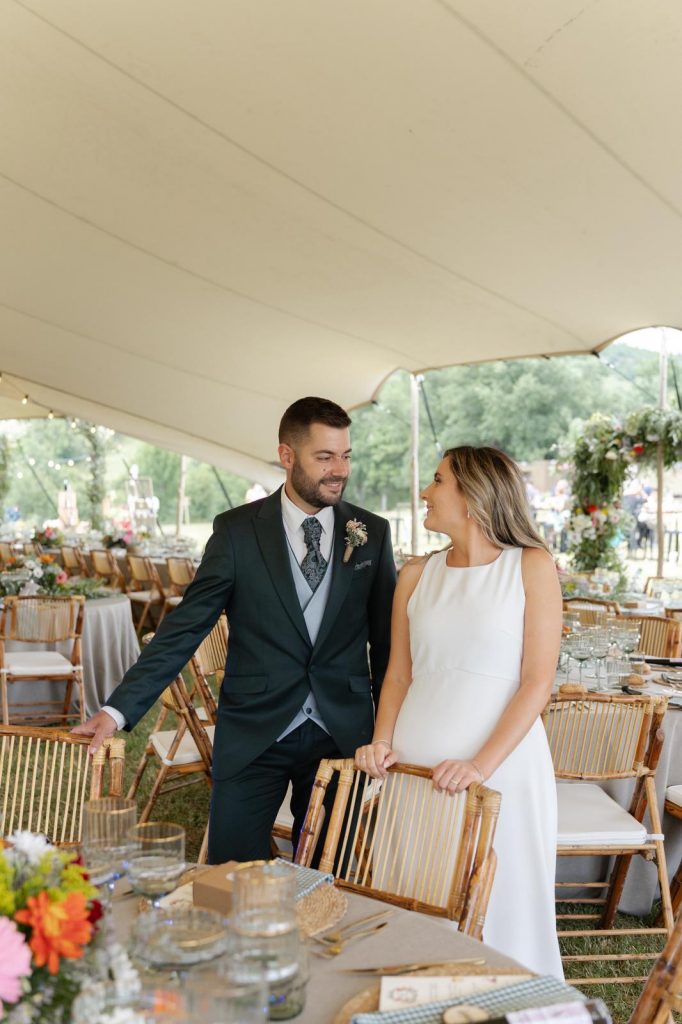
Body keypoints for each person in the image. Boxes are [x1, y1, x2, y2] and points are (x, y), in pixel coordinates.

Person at [73, 397, 396, 863]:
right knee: (229, 876)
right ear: (287, 455)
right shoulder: (236, 531)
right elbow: (184, 629)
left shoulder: (371, 531)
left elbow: (386, 648)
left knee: (334, 875)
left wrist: (382, 733)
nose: (338, 470)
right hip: (255, 731)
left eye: (345, 455)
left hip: (342, 733)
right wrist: (118, 711)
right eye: (324, 457)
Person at [355, 445, 563, 979]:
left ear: (471, 495)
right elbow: (398, 673)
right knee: (415, 893)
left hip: (501, 769)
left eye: (437, 480)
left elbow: (537, 681)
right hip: (414, 769)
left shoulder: (532, 566)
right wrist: (381, 741)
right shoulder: (416, 575)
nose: (424, 491)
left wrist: (479, 766)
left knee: (503, 904)